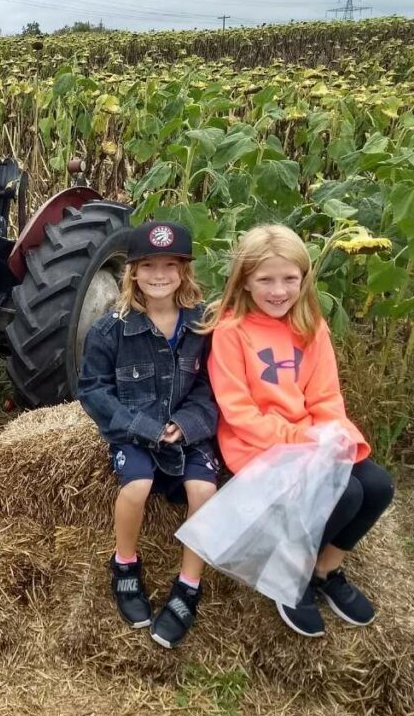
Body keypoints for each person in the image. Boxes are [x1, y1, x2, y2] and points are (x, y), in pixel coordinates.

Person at [203, 224, 394, 637]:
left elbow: (325, 395)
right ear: (245, 280)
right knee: (348, 492)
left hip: (308, 438)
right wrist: (298, 440)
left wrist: (338, 435)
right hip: (258, 446)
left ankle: (326, 569)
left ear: (304, 279)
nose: (278, 290)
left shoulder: (311, 325)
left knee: (377, 486)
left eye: (290, 278)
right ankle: (291, 572)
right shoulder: (231, 331)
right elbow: (239, 411)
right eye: (265, 279)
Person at [77, 221, 219, 649]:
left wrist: (189, 424)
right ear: (133, 272)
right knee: (137, 485)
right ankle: (124, 564)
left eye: (170, 265)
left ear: (184, 272)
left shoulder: (202, 327)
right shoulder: (111, 329)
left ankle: (188, 585)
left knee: (203, 490)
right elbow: (93, 390)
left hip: (186, 430)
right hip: (134, 431)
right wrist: (142, 427)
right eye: (149, 265)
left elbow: (213, 387)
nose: (159, 275)